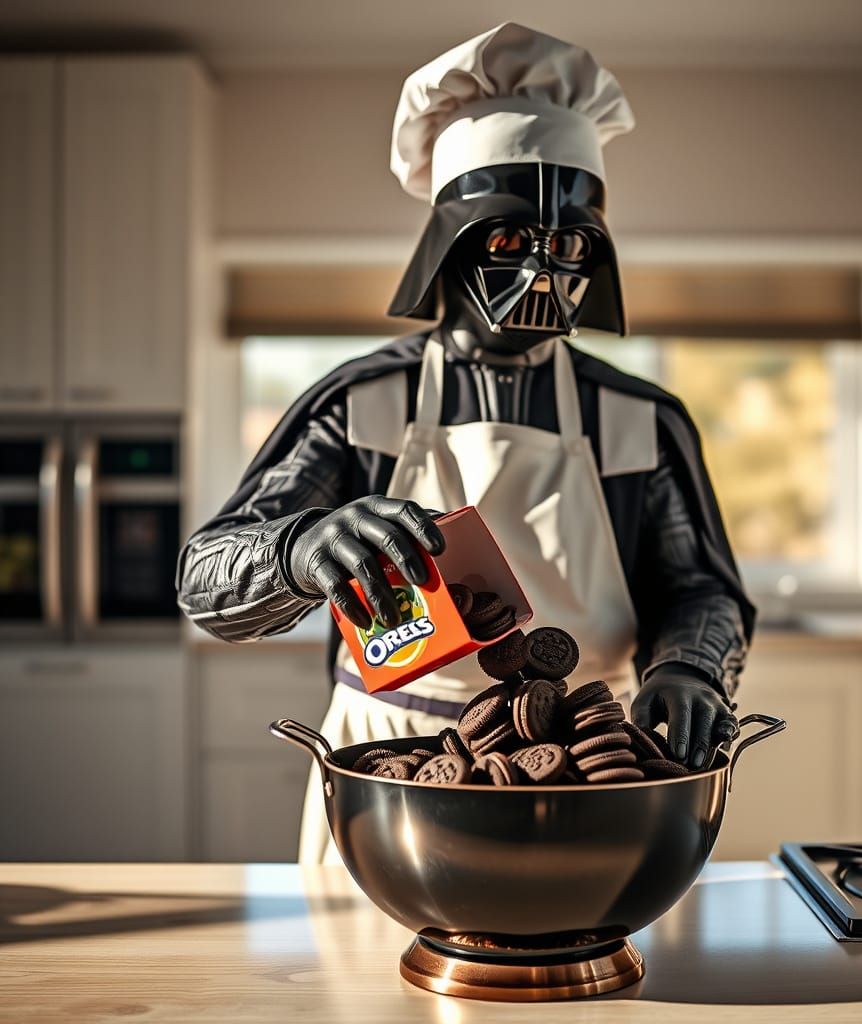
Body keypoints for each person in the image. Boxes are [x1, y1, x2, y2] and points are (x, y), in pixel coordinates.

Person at [176, 22, 755, 864]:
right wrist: (301, 547)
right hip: (389, 763)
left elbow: (701, 586)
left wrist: (692, 668)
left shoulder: (641, 419)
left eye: (566, 247)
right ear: (448, 242)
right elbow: (204, 583)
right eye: (512, 241)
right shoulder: (360, 404)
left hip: (588, 764)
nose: (542, 274)